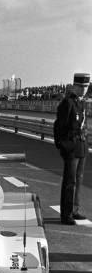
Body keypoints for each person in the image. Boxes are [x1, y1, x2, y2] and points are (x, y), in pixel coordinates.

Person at [55, 72, 90, 225]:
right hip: (71, 147)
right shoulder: (67, 103)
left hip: (81, 146)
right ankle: (66, 214)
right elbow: (59, 126)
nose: (83, 89)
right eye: (81, 86)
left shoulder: (81, 103)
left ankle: (75, 210)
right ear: (74, 86)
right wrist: (63, 145)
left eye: (86, 86)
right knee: (69, 182)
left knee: (78, 180)